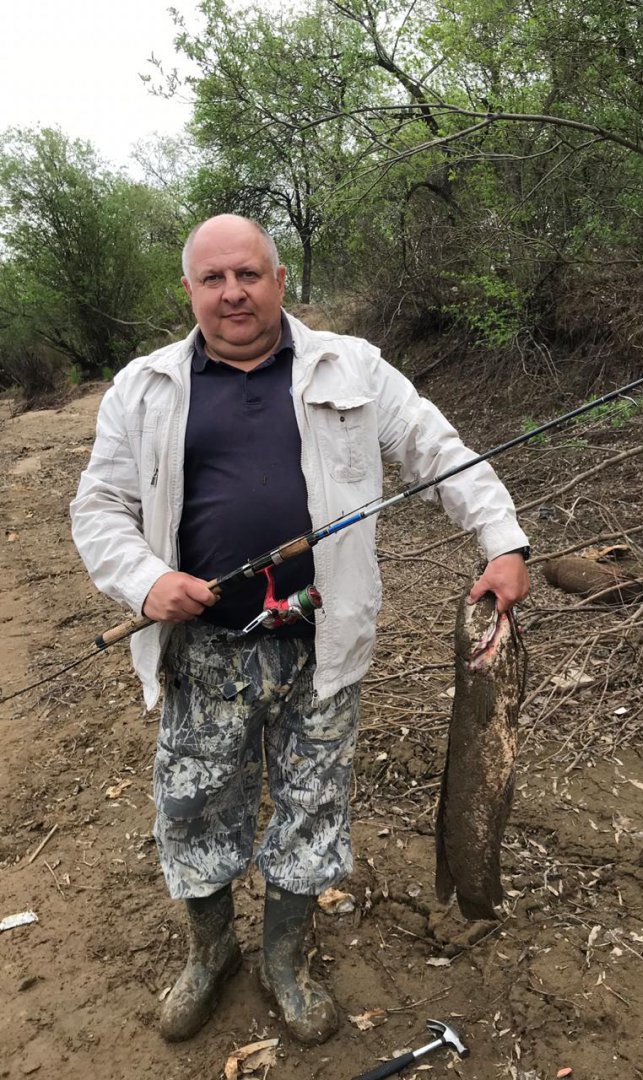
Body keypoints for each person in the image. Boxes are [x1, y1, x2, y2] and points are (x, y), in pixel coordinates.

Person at [70, 214, 530, 1046]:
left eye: (248, 274)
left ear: (279, 280)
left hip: (322, 648)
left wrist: (502, 539)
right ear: (188, 290)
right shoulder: (143, 387)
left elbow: (436, 450)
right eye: (213, 279)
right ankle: (211, 953)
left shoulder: (352, 367)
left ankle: (285, 961)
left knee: (313, 810)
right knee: (193, 808)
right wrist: (146, 581)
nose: (232, 293)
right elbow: (100, 507)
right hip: (203, 654)